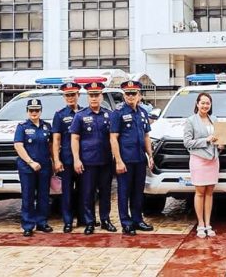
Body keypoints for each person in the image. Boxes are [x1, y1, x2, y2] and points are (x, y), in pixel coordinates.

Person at [70, 82, 117, 235]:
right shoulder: (80, 115)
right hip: (88, 162)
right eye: (91, 95)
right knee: (88, 193)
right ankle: (89, 222)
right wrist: (76, 159)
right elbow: (75, 139)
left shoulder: (109, 114)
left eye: (97, 95)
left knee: (105, 192)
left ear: (101, 96)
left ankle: (105, 220)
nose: (94, 98)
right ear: (87, 97)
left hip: (105, 162)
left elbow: (115, 137)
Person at [110, 81, 155, 236]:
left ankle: (137, 219)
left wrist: (150, 155)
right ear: (124, 95)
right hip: (126, 160)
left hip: (140, 159)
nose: (130, 96)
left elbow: (146, 135)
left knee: (138, 191)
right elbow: (113, 138)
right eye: (127, 93)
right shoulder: (118, 113)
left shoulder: (142, 112)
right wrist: (118, 160)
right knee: (124, 192)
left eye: (133, 93)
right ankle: (126, 222)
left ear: (139, 95)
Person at [183, 92, 223, 238]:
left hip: (213, 159)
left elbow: (219, 139)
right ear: (197, 103)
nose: (205, 105)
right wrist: (206, 140)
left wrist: (221, 144)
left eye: (208, 103)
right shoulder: (191, 121)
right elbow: (187, 142)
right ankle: (200, 224)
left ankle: (208, 224)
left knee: (210, 193)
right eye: (203, 102)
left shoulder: (214, 119)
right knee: (200, 192)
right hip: (199, 160)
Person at [14, 98, 54, 236]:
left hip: (44, 166)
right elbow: (18, 146)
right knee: (28, 196)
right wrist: (31, 162)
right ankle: (28, 225)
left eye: (37, 110)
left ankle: (42, 222)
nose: (34, 113)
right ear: (27, 111)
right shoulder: (22, 127)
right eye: (31, 110)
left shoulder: (47, 126)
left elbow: (51, 146)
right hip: (27, 167)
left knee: (44, 196)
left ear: (41, 111)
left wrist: (54, 162)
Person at [52, 82, 82, 233]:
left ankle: (83, 218)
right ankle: (68, 221)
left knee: (85, 190)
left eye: (73, 95)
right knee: (67, 192)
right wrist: (56, 159)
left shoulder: (85, 112)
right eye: (67, 95)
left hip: (85, 159)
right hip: (67, 159)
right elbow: (56, 139)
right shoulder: (60, 115)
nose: (70, 98)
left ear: (78, 95)